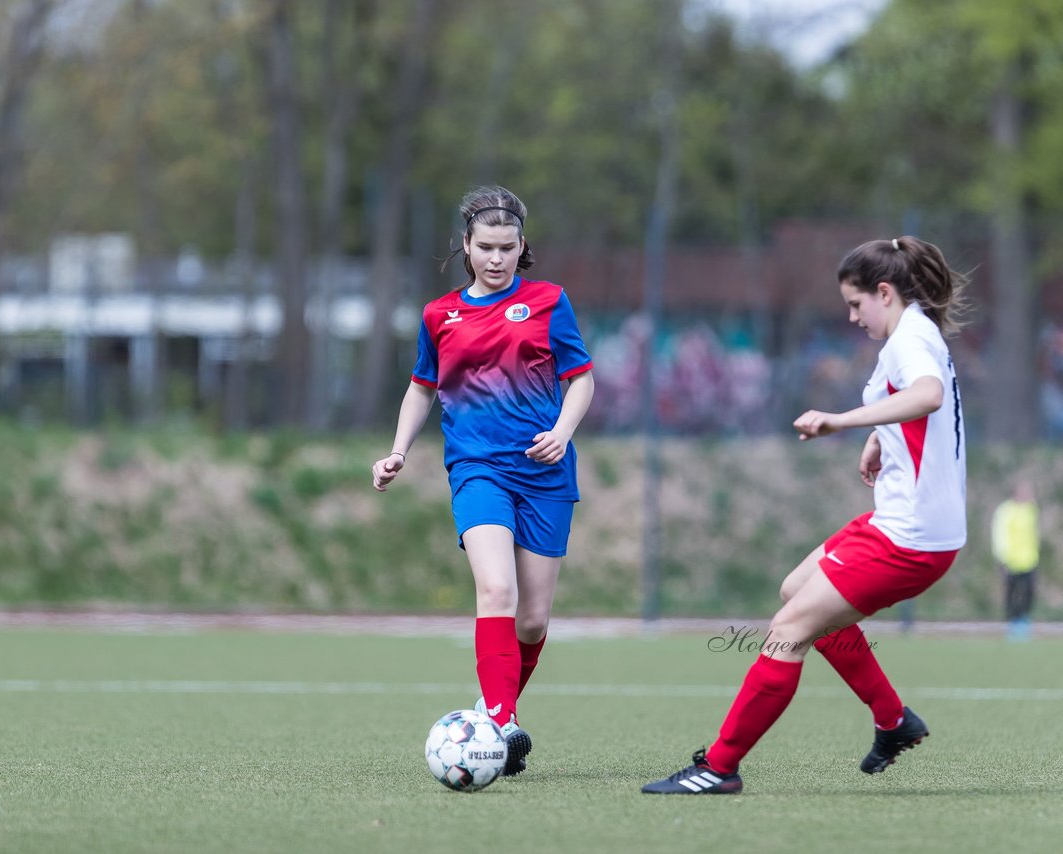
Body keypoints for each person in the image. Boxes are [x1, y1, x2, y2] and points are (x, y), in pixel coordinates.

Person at [643, 235, 969, 795]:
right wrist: (879, 438)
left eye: (856, 303)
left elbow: (928, 395)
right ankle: (893, 721)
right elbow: (915, 410)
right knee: (796, 592)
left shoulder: (909, 339)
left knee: (787, 631)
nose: (851, 316)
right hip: (908, 523)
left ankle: (719, 767)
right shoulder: (916, 330)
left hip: (911, 536)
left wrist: (842, 421)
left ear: (884, 292)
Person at [372, 185, 595, 778]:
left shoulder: (549, 302)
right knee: (497, 592)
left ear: (522, 247)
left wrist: (565, 430)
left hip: (545, 472)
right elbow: (422, 388)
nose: (496, 258)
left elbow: (581, 379)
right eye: (485, 247)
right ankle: (500, 720)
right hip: (477, 469)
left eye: (507, 247)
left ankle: (496, 710)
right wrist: (397, 451)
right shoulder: (439, 315)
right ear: (465, 247)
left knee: (534, 621)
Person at [992, 479, 1040, 641]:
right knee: (1011, 594)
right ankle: (1012, 624)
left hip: (1029, 560)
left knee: (1029, 592)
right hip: (1010, 561)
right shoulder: (1006, 510)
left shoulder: (1031, 509)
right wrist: (1002, 558)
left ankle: (1024, 621)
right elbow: (1000, 534)